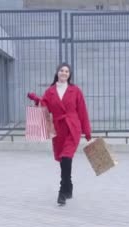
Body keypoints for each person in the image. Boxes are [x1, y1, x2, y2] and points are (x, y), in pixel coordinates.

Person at [28, 63, 92, 206]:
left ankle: (62, 192)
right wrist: (36, 99)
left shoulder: (75, 91)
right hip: (58, 129)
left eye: (67, 71)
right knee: (62, 160)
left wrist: (87, 131)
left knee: (66, 157)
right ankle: (69, 185)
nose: (64, 73)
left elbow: (82, 112)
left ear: (69, 74)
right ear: (57, 73)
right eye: (62, 70)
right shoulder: (50, 91)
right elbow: (44, 107)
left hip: (72, 127)